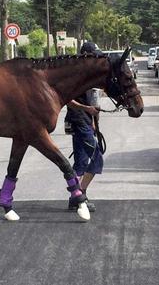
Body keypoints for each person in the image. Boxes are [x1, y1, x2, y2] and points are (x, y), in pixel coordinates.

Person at [65, 42, 104, 212]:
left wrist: (94, 122)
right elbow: (66, 99)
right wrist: (86, 110)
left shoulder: (88, 75)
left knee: (80, 163)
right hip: (79, 121)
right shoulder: (75, 74)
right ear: (86, 55)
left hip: (85, 121)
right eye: (94, 54)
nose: (96, 58)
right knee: (97, 159)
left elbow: (92, 100)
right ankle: (81, 193)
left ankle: (75, 198)